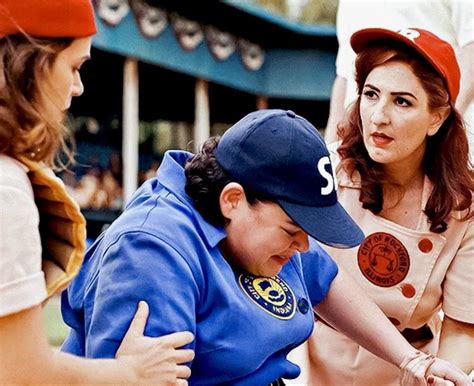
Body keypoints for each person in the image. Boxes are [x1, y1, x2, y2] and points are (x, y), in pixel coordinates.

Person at [61, 108, 470, 385]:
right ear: (233, 200)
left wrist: (413, 360)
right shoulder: (151, 253)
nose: (304, 244)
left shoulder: (261, 226)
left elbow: (324, 281)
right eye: (293, 227)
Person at [0, 0, 194, 383]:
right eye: (74, 67)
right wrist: (129, 373)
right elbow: (21, 372)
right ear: (31, 64)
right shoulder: (7, 186)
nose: (78, 87)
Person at [303, 28, 474, 385]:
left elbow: (462, 325)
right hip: (308, 357)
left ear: (437, 117)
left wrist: (435, 377)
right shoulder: (324, 170)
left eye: (402, 101)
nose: (379, 115)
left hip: (405, 371)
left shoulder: (465, 206)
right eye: (370, 94)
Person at [324, 0, 474, 164]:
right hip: (366, 152)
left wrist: (441, 131)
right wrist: (328, 151)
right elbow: (345, 74)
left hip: (444, 152)